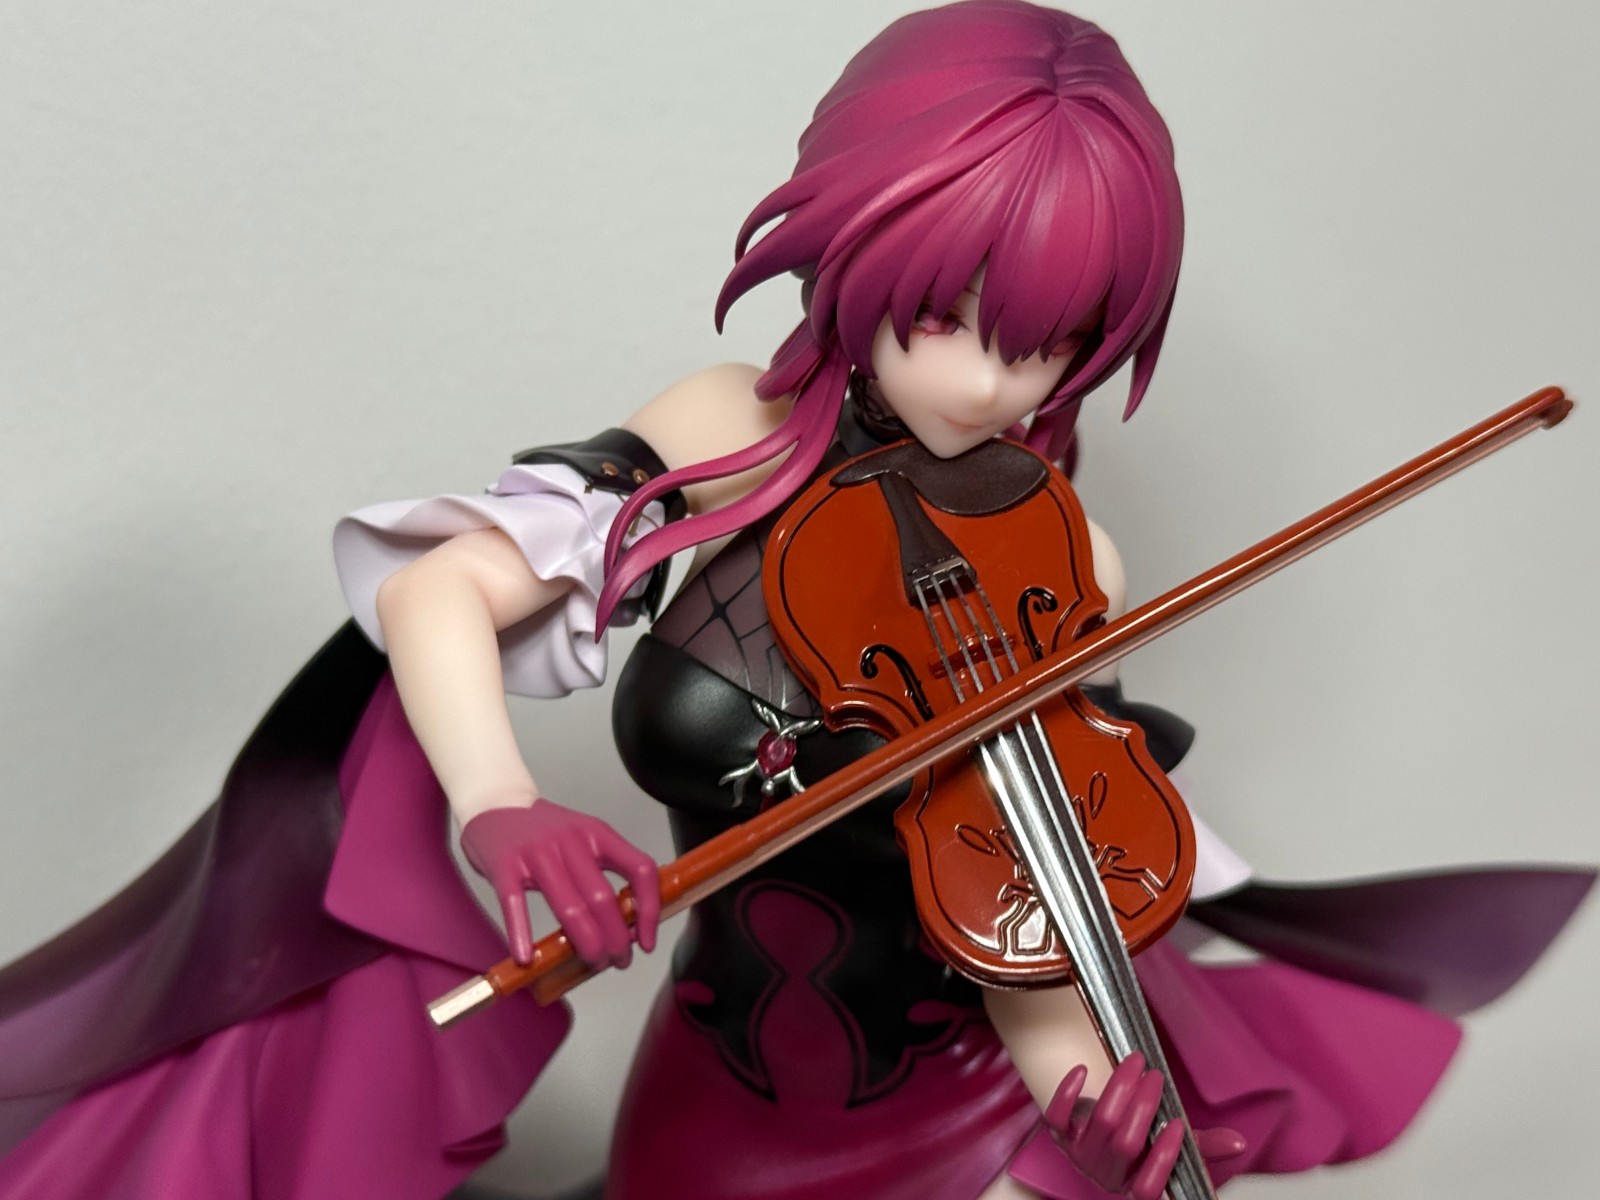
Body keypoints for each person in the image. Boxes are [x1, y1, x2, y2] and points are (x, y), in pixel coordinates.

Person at [0, 4, 1588, 1199]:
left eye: (1048, 342)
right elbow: (439, 595)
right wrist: (498, 808)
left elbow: (1028, 918)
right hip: (729, 1068)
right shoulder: (731, 438)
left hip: (955, 1096)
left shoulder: (1063, 563)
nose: (991, 385)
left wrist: (1086, 1107)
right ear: (860, 238)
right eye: (954, 315)